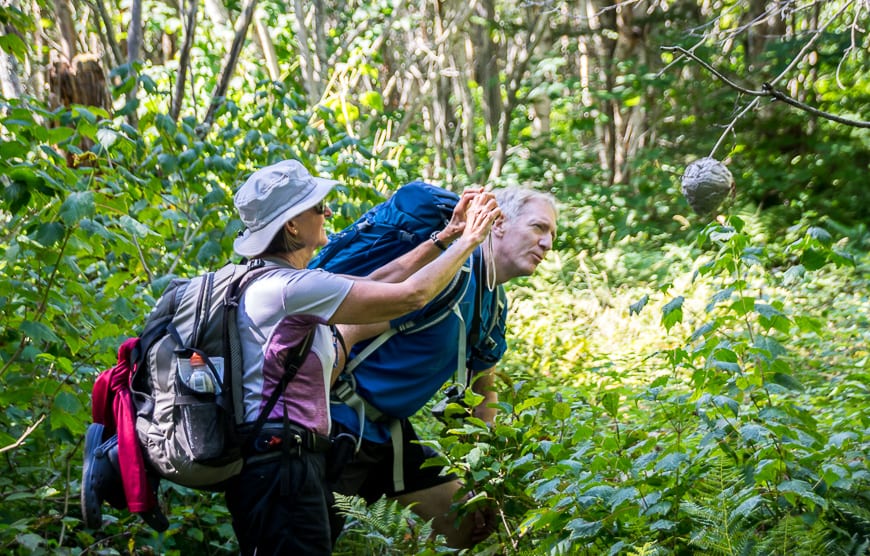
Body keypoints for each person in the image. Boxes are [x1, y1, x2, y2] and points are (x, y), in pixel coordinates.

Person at [223, 159, 501, 555]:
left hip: (279, 456)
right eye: (318, 207)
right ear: (291, 226)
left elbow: (376, 283)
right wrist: (469, 242)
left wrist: (445, 236)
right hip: (280, 461)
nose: (329, 213)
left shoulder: (274, 280)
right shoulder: (290, 288)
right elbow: (409, 296)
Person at [327, 186, 558, 548]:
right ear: (497, 224)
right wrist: (308, 415)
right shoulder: (448, 274)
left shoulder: (494, 300)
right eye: (538, 228)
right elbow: (347, 330)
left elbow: (484, 390)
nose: (546, 243)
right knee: (303, 543)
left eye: (552, 234)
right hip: (341, 422)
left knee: (470, 523)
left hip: (389, 432)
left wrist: (489, 478)